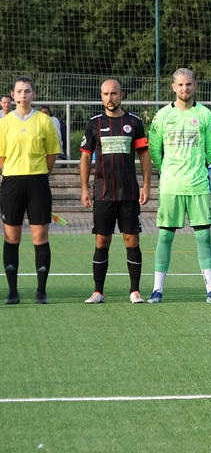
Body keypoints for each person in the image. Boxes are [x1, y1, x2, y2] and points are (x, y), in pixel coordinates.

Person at [146, 68, 211, 304]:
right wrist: (167, 169)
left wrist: (198, 166)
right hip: (171, 186)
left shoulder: (205, 114)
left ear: (195, 86)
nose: (184, 88)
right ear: (173, 87)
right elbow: (154, 149)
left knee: (204, 238)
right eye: (180, 85)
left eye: (188, 84)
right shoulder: (162, 115)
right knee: (165, 238)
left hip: (198, 185)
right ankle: (157, 291)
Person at [79, 79, 151, 304]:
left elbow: (144, 155)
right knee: (102, 241)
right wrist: (84, 188)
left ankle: (135, 291)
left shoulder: (134, 122)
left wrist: (146, 185)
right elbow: (85, 158)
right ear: (101, 96)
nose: (110, 98)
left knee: (132, 240)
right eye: (105, 94)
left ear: (122, 95)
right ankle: (98, 292)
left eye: (114, 94)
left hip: (128, 193)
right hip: (103, 193)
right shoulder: (94, 124)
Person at [0, 76, 61, 304]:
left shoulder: (44, 121)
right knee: (11, 237)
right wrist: (13, 172)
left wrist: (40, 173)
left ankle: (41, 291)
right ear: (12, 95)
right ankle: (12, 292)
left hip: (38, 183)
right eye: (19, 91)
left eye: (27, 91)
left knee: (39, 237)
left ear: (33, 94)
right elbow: (1, 157)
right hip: (12, 184)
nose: (23, 95)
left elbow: (52, 153)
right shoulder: (5, 123)